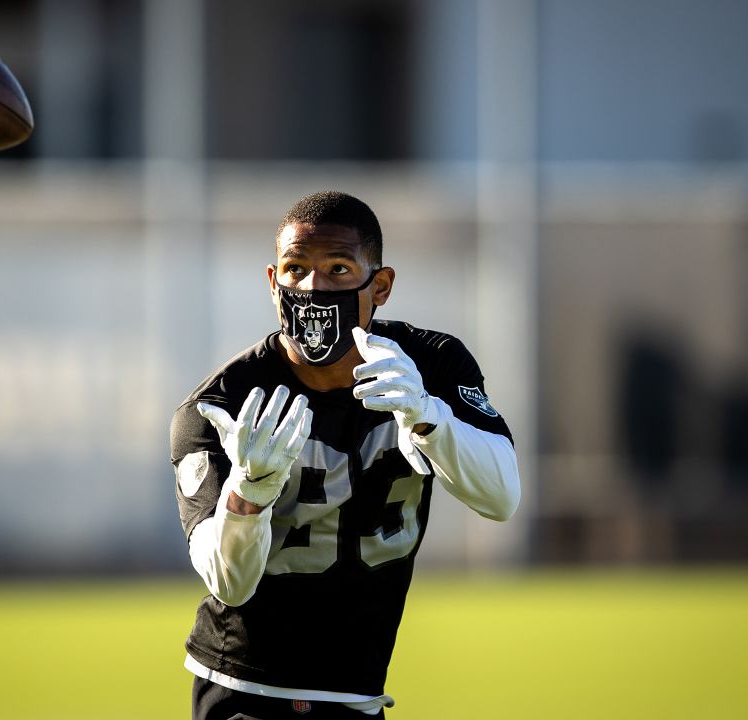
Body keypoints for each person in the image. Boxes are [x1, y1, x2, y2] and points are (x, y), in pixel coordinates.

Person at [171, 190, 521, 719]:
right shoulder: (221, 406)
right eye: (296, 269)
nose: (313, 288)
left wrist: (430, 417)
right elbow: (229, 583)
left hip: (358, 695)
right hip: (245, 690)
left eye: (337, 268)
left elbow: (502, 498)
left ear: (379, 286)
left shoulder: (427, 366)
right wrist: (249, 492)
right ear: (273, 284)